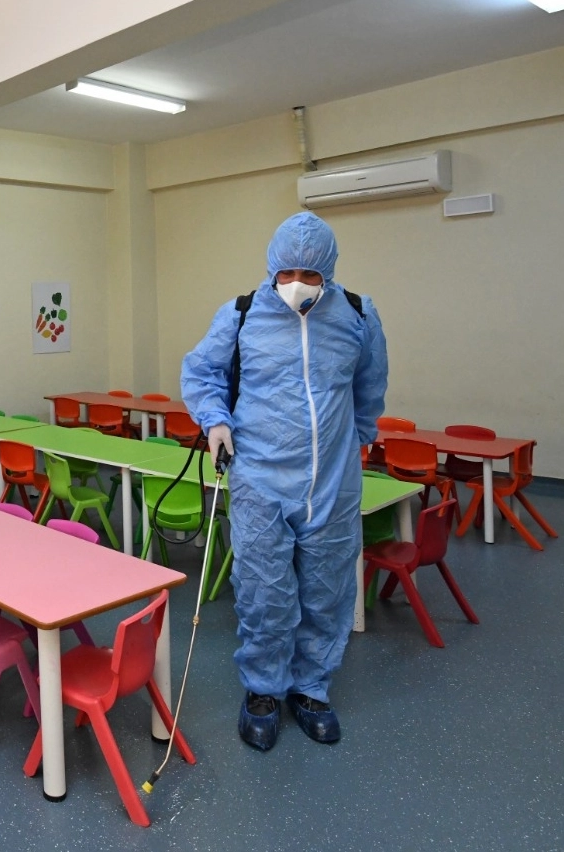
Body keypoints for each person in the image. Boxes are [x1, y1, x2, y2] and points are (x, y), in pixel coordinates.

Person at [180, 211, 388, 751]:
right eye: (287, 272)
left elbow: (369, 386)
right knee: (264, 590)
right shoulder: (242, 314)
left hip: (332, 480)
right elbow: (202, 371)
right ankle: (263, 691)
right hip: (260, 479)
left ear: (328, 272)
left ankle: (311, 689)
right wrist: (215, 420)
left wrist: (360, 437)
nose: (298, 282)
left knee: (328, 589)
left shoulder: (358, 315)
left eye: (310, 274)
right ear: (272, 268)